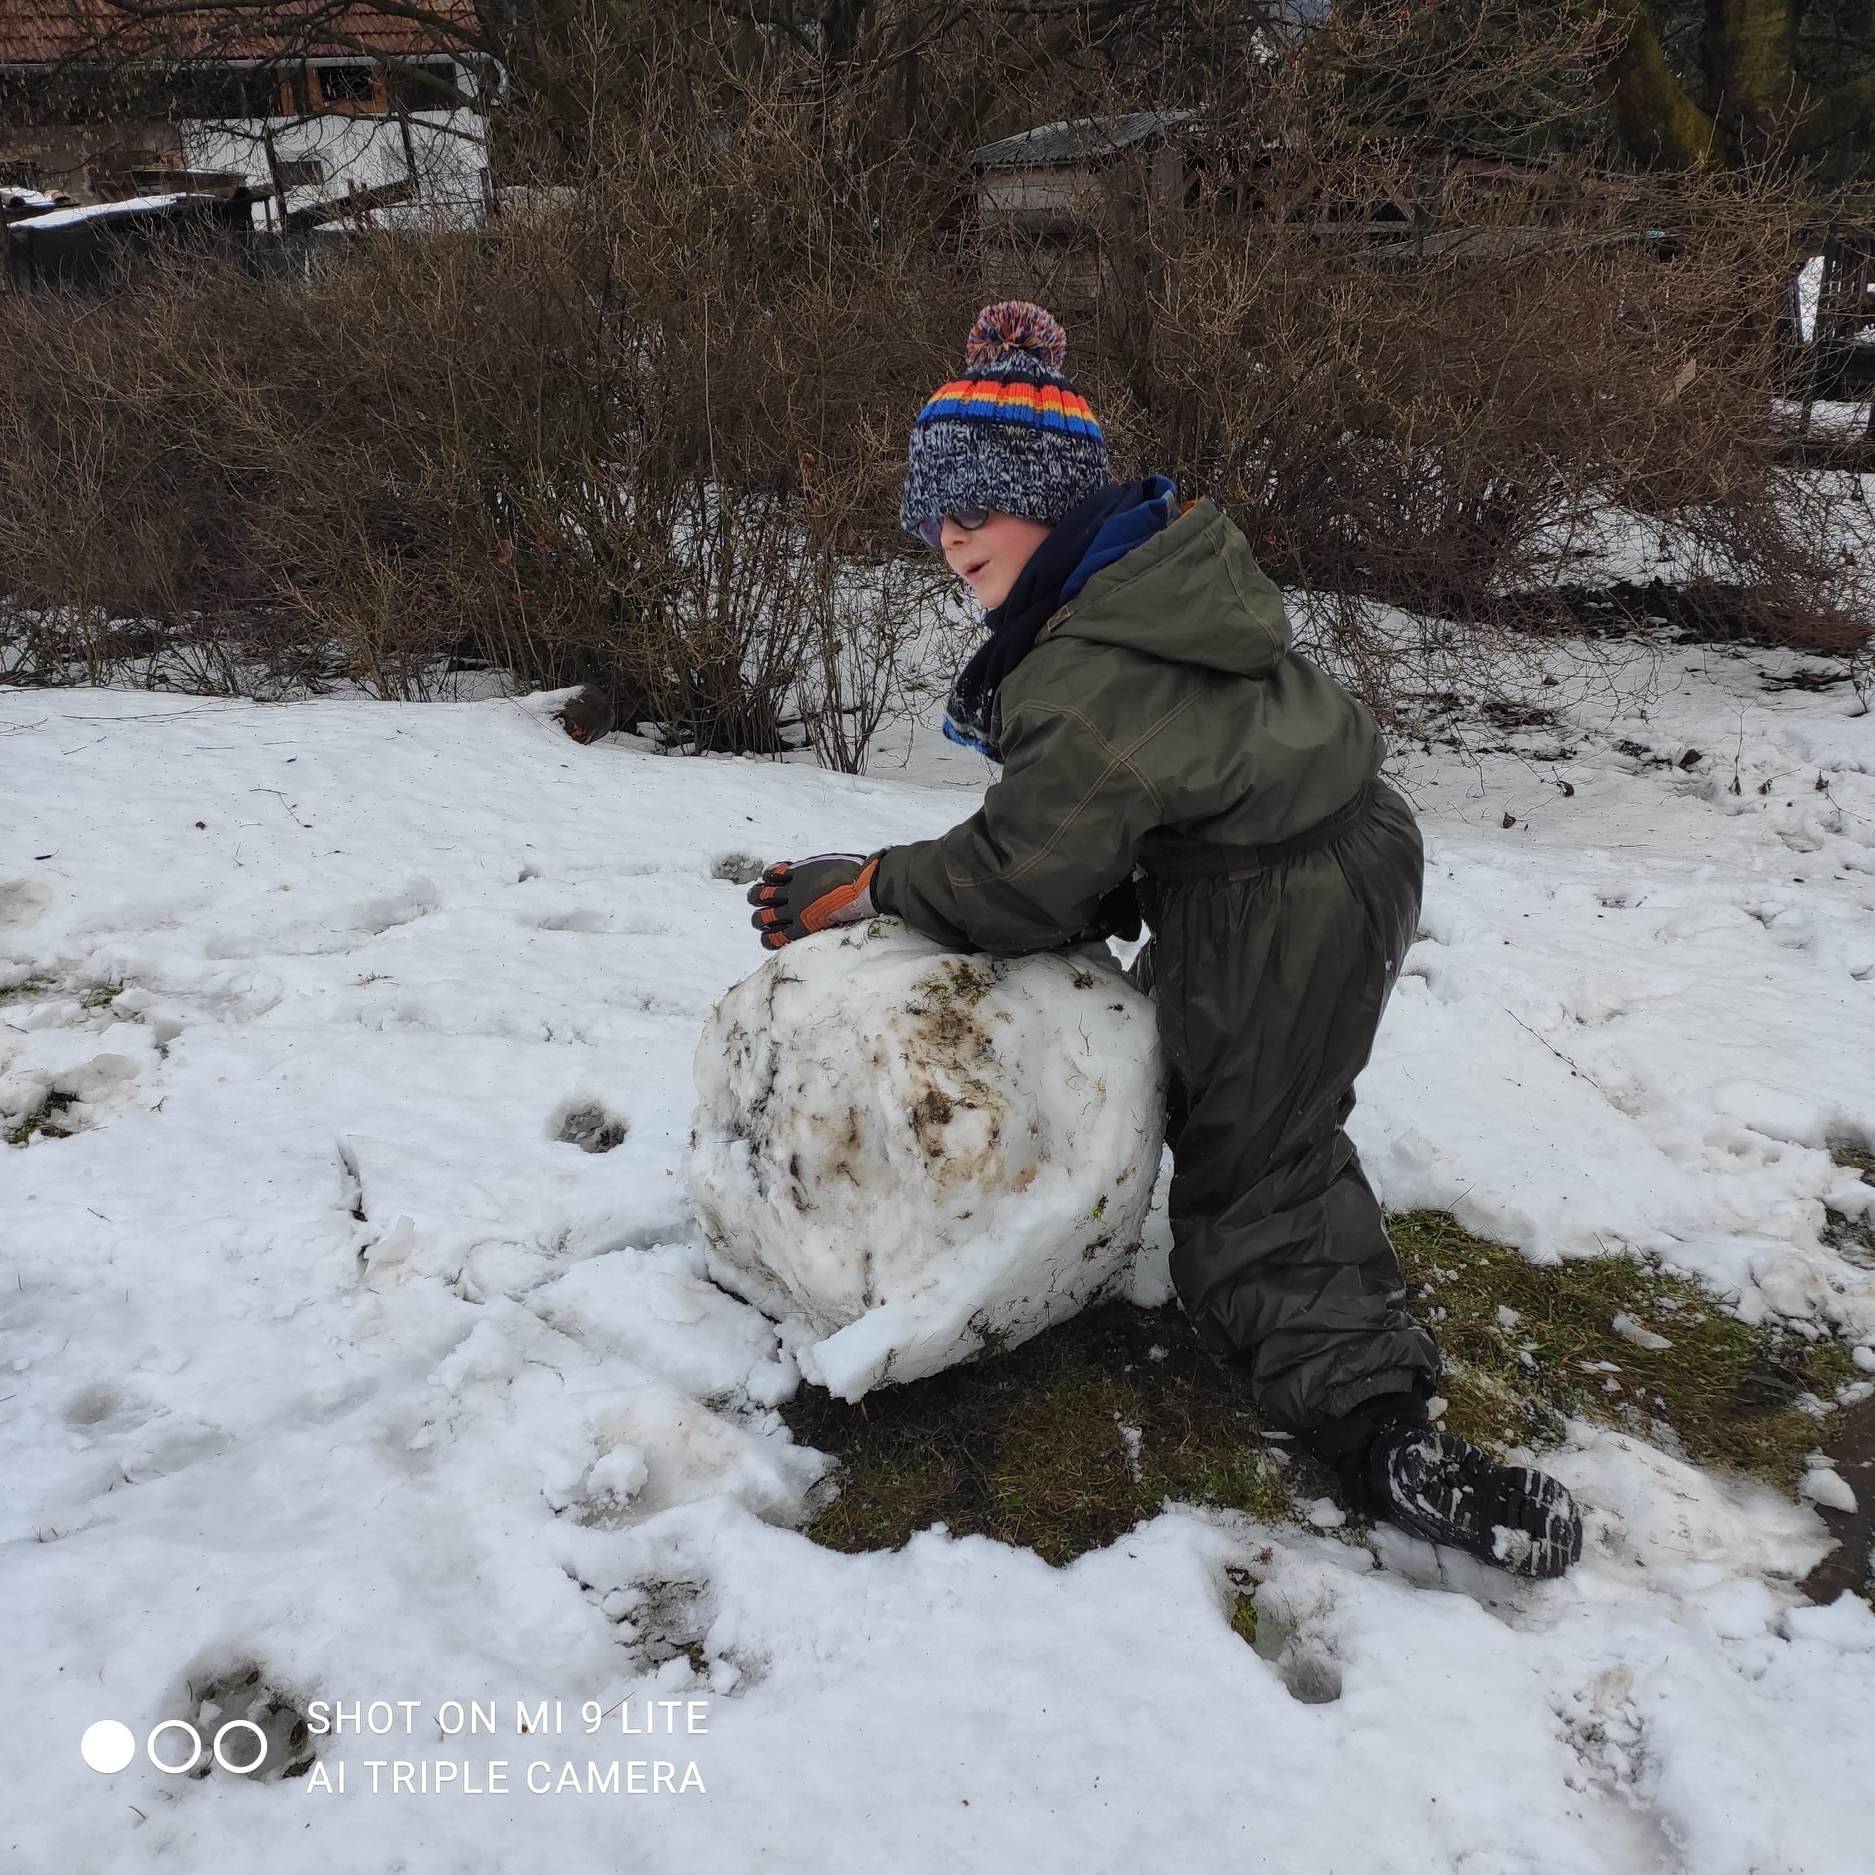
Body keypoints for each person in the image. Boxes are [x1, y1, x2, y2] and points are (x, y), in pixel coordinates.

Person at [746, 301, 1582, 1578]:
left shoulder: (1087, 667)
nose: (948, 535)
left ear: (1048, 503)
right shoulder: (1152, 584)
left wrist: (865, 888)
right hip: (1334, 845)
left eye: (977, 505)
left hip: (1282, 898)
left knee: (1254, 1166)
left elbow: (1021, 879)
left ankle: (1378, 1433)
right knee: (1250, 1104)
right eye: (933, 512)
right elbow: (1117, 812)